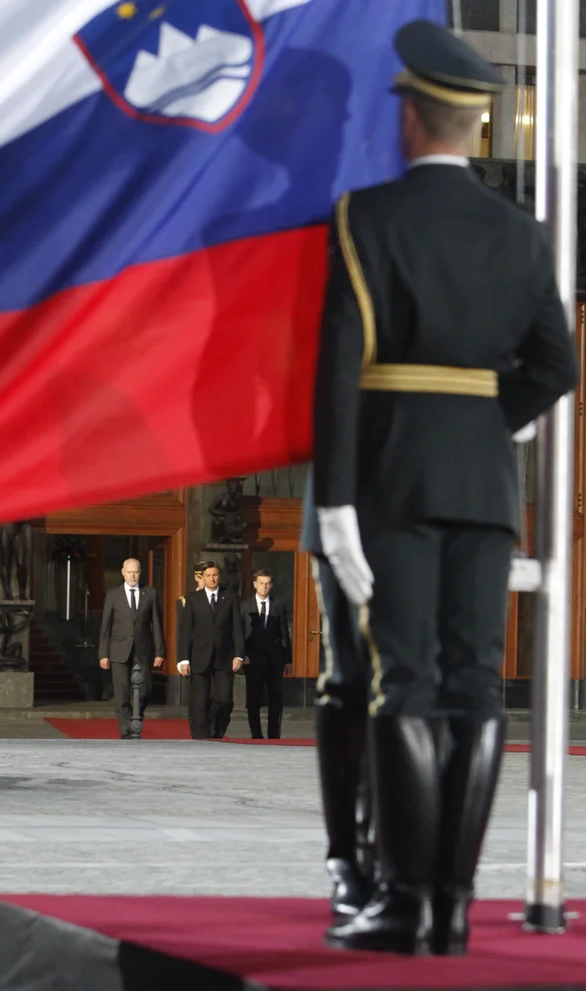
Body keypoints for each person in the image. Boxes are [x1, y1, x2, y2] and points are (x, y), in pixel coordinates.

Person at [313, 20, 578, 956]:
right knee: (474, 686)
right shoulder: (524, 233)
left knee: (403, 683)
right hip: (484, 481)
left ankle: (402, 899)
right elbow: (557, 364)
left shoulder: (366, 218)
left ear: (411, 119)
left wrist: (337, 501)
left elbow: (338, 372)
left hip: (391, 477)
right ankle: (451, 909)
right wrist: (477, 425)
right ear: (474, 127)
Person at [301, 476, 377, 922]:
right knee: (347, 678)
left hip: (428, 489)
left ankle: (394, 858)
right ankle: (346, 861)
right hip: (343, 487)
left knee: (416, 684)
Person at [98, 558, 166, 739]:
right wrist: (103, 654)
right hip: (118, 649)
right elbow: (106, 626)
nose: (133, 575)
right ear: (123, 573)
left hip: (143, 648)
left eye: (135, 572)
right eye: (129, 572)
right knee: (122, 691)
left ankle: (137, 717)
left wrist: (160, 651)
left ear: (140, 572)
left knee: (145, 688)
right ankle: (126, 728)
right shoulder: (113, 595)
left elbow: (157, 624)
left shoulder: (149, 594)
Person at [177, 561, 245, 739]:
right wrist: (183, 659)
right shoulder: (192, 600)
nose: (212, 578)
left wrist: (239, 654)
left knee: (224, 700)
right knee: (199, 701)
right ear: (202, 577)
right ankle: (200, 736)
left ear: (219, 577)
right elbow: (185, 631)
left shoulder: (229, 598)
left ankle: (217, 730)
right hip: (199, 657)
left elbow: (237, 628)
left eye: (215, 575)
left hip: (224, 657)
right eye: (208, 575)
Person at [241, 570, 292, 740]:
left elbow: (284, 632)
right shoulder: (245, 606)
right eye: (261, 583)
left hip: (275, 660)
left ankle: (273, 735)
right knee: (253, 698)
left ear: (271, 585)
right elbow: (240, 633)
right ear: (255, 584)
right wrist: (241, 655)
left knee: (276, 699)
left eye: (268, 583)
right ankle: (256, 735)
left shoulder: (279, 604)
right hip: (253, 659)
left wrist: (288, 660)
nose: (264, 586)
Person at [176, 563, 207, 649]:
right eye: (203, 579)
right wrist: (181, 659)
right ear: (196, 578)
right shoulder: (185, 601)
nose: (206, 582)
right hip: (194, 650)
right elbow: (182, 631)